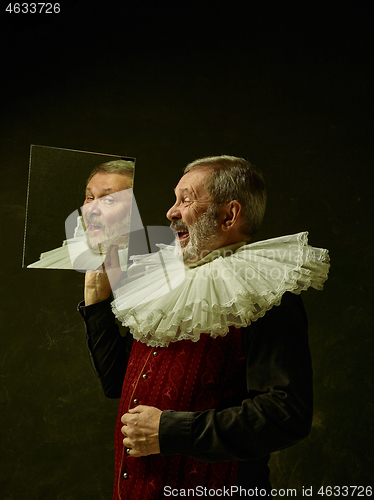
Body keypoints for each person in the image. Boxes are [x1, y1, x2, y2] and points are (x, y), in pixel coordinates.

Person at [78, 155, 330, 499]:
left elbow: (286, 414)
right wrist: (97, 301)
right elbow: (115, 382)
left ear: (230, 215)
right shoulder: (161, 280)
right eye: (174, 199)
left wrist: (171, 431)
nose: (171, 211)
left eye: (186, 199)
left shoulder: (267, 292)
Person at [28, 159, 135, 271]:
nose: (90, 209)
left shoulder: (143, 267)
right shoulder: (71, 256)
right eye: (90, 198)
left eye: (108, 200)